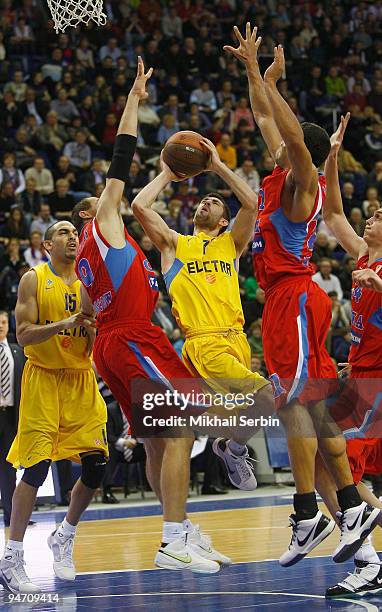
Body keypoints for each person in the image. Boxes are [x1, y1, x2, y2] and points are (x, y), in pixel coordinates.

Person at [225, 24, 380, 567]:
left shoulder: (300, 185)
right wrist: (255, 74)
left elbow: (288, 134)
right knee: (312, 410)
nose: (276, 146)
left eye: (290, 148)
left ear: (302, 157)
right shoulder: (278, 177)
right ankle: (352, 509)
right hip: (292, 300)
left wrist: (275, 90)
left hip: (292, 297)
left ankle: (307, 512)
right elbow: (268, 121)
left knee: (295, 405)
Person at [72, 58, 228, 574]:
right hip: (134, 339)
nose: (106, 197)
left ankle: (178, 530)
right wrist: (136, 99)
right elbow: (121, 155)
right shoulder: (107, 223)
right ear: (95, 212)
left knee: (160, 437)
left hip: (114, 343)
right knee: (187, 425)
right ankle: (173, 537)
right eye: (99, 200)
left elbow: (93, 309)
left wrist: (167, 172)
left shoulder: (92, 257)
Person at [131, 140, 274, 489]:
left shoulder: (231, 244)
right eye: (202, 201)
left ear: (224, 221)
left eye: (214, 202)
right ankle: (233, 448)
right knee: (268, 397)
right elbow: (138, 205)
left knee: (241, 414)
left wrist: (218, 165)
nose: (206, 202)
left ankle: (228, 445)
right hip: (204, 341)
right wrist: (168, 173)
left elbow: (253, 203)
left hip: (237, 341)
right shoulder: (175, 244)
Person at [0, 220, 108, 594]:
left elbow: (98, 337)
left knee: (97, 463)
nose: (72, 236)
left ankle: (65, 534)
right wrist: (66, 322)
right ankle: (12, 557)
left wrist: (95, 327)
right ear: (47, 245)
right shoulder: (35, 278)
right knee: (36, 467)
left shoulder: (89, 282)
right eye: (63, 232)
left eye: (74, 232)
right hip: (43, 378)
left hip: (80, 379)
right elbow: (23, 333)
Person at [316, 114, 382, 598]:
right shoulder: (362, 254)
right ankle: (369, 556)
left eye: (378, 216)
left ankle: (367, 543)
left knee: (335, 453)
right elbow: (333, 214)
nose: (370, 217)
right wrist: (332, 158)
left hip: (378, 382)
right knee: (324, 458)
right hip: (360, 374)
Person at [0, 311, 25, 528]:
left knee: (9, 468)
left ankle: (12, 516)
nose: (1, 326)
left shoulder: (18, 352)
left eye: (4, 322)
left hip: (10, 416)